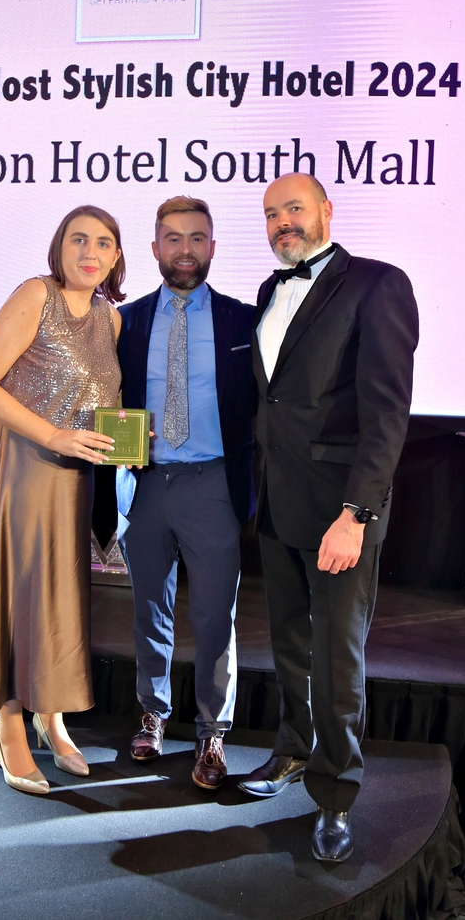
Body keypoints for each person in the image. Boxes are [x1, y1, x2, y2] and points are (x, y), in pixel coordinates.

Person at [239, 173, 419, 861]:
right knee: (289, 642)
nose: (282, 222)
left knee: (338, 657)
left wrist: (356, 514)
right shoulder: (269, 290)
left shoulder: (378, 285)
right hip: (277, 503)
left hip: (340, 512)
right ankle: (292, 750)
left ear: (326, 211)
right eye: (271, 213)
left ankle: (335, 797)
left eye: (294, 208)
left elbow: (386, 414)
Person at [0, 206, 124, 794]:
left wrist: (130, 440)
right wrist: (53, 435)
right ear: (59, 248)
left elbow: (97, 405)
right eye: (78, 239)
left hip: (76, 477)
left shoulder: (110, 318)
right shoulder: (36, 295)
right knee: (20, 590)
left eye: (102, 242)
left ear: (116, 257)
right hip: (24, 465)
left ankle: (50, 717)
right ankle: (8, 724)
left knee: (59, 595)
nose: (90, 251)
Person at [116, 195, 256, 790]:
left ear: (213, 246)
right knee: (149, 608)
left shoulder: (243, 321)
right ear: (154, 248)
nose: (185, 250)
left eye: (196, 238)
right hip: (146, 483)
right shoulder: (124, 321)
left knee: (215, 615)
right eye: (172, 238)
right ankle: (153, 713)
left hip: (212, 484)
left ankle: (211, 733)